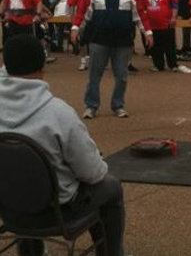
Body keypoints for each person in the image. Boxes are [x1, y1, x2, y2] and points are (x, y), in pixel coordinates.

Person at [0, 34, 126, 256]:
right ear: (42, 66)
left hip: (8, 208)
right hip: (56, 211)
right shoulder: (58, 112)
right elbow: (93, 174)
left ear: (5, 66)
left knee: (18, 181)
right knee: (111, 187)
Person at [71, 0, 153, 119]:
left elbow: (141, 16)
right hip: (98, 41)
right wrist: (75, 29)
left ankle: (118, 105)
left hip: (123, 43)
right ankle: (91, 106)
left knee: (121, 76)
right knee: (94, 75)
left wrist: (148, 33)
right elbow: (82, 14)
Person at [143, 0, 185, 72]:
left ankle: (173, 65)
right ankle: (158, 66)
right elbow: (144, 8)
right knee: (155, 48)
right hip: (153, 26)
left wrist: (174, 17)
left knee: (170, 46)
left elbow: (175, 5)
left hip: (167, 25)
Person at [67, 0, 93, 70]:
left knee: (93, 40)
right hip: (81, 17)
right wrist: (72, 20)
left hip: (93, 17)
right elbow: (71, 5)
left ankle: (92, 59)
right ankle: (83, 61)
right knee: (82, 40)